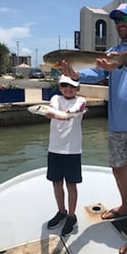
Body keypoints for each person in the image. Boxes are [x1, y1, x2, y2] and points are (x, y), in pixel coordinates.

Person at [61, 3, 127, 254]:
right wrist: (75, 75)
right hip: (118, 124)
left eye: (125, 18)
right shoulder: (111, 51)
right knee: (119, 170)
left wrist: (120, 63)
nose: (120, 23)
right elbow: (96, 73)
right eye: (116, 19)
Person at [46, 74, 86, 236]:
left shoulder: (81, 101)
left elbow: (76, 110)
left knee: (71, 185)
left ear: (78, 88)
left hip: (72, 151)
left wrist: (64, 114)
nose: (68, 89)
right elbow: (52, 106)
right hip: (54, 149)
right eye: (64, 85)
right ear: (60, 87)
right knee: (56, 183)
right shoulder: (56, 98)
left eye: (72, 86)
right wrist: (54, 113)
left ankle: (71, 216)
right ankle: (61, 211)